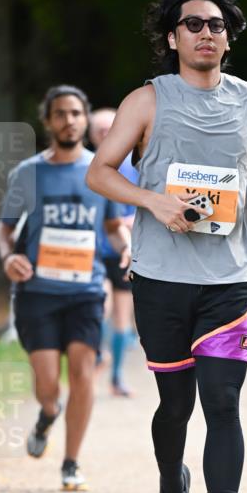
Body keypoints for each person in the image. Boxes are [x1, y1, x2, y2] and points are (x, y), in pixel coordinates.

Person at [86, 0, 247, 493]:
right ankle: (174, 482)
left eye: (215, 25)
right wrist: (153, 202)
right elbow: (101, 173)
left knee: (223, 402)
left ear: (228, 39)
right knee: (176, 405)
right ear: (173, 37)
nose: (205, 33)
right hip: (161, 278)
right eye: (192, 24)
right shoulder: (147, 101)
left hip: (230, 277)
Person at [0, 85, 130, 491]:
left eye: (76, 113)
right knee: (49, 384)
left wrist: (126, 249)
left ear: (85, 119)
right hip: (37, 292)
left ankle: (71, 462)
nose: (69, 120)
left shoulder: (100, 171)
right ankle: (48, 413)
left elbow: (112, 226)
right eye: (60, 113)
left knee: (84, 372)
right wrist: (7, 258)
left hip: (85, 290)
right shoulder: (28, 173)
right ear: (48, 121)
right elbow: (5, 228)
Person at [89, 108, 138, 397]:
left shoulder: (135, 165)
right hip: (92, 251)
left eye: (110, 129)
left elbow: (147, 206)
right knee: (99, 304)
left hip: (123, 249)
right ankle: (98, 354)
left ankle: (116, 377)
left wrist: (121, 223)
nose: (105, 134)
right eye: (99, 131)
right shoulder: (85, 164)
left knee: (122, 316)